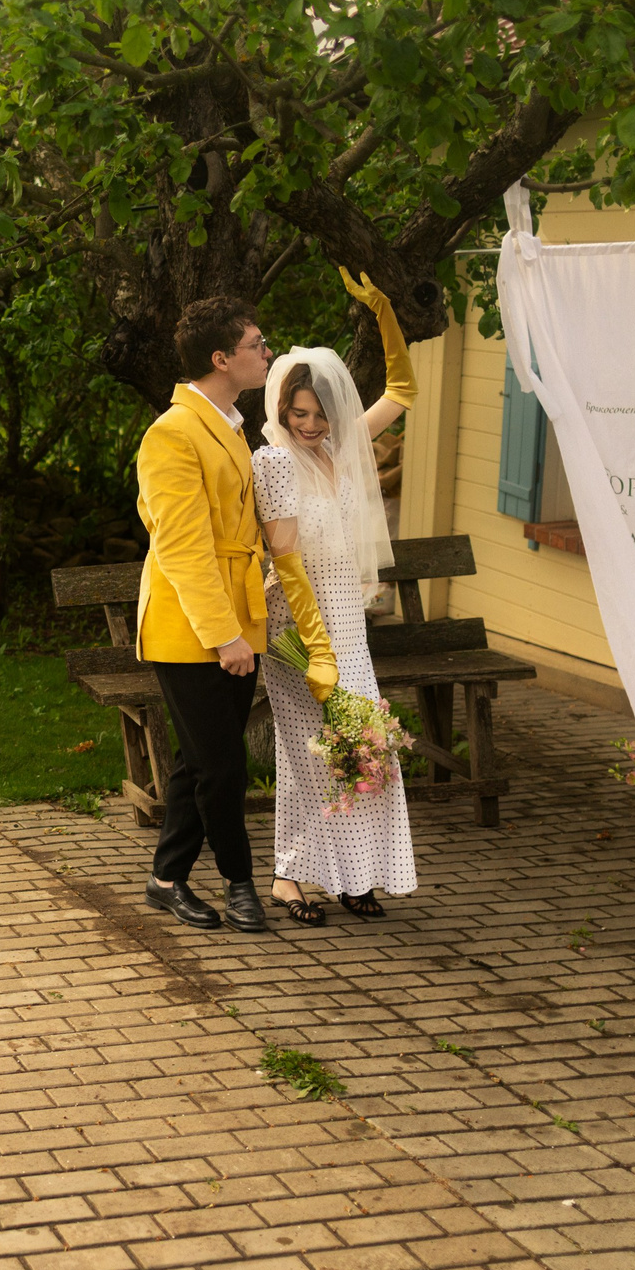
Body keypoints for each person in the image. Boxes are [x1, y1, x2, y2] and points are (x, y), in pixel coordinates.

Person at [253, 270, 421, 923]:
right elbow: (287, 561)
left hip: (348, 623)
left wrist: (384, 312)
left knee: (360, 748)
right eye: (298, 414)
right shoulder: (273, 461)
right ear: (280, 409)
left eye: (320, 414)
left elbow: (403, 390)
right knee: (316, 756)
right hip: (297, 629)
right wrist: (316, 652)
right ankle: (302, 878)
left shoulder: (343, 445)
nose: (310, 425)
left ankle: (338, 878)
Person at [134, 296, 276, 932]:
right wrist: (223, 636)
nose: (266, 352)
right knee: (222, 766)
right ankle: (240, 882)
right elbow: (184, 549)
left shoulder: (231, 424)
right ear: (221, 359)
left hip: (237, 617)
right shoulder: (173, 433)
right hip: (189, 628)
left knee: (199, 760)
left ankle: (166, 879)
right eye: (256, 344)